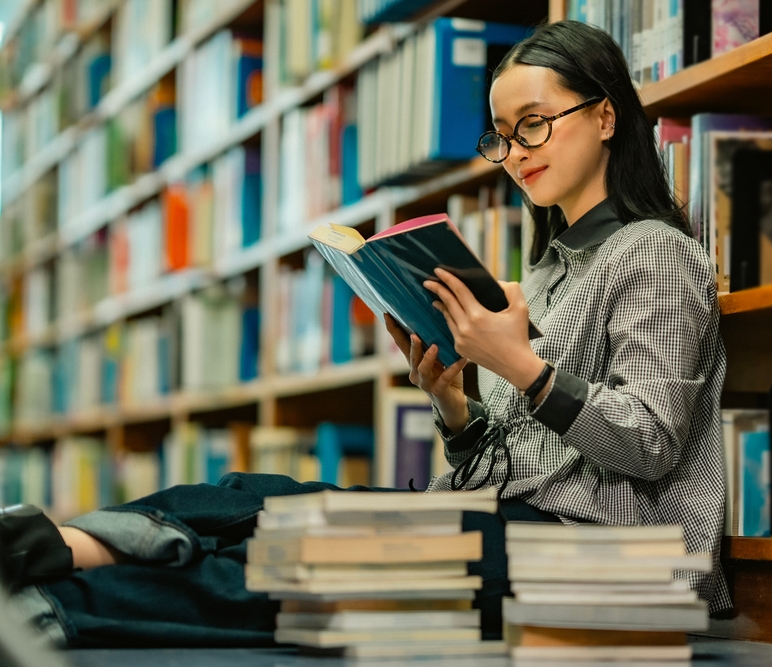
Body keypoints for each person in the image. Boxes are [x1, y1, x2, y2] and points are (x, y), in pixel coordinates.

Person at [0, 20, 729, 648]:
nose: (516, 152)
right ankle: (60, 546)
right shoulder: (540, 275)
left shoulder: (654, 252)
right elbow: (524, 458)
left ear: (605, 116)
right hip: (515, 525)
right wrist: (454, 408)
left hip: (620, 559)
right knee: (253, 492)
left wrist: (522, 367)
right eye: (503, 136)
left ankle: (43, 606)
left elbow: (649, 443)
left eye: (534, 124)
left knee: (311, 553)